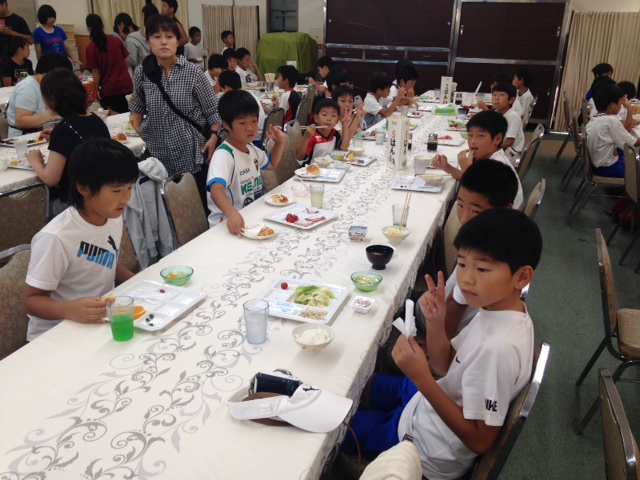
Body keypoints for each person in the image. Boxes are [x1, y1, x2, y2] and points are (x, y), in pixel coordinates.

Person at [343, 208, 541, 479]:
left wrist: (422, 378)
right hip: (425, 405)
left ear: (522, 277)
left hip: (425, 448)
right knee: (351, 385)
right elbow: (445, 364)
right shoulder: (498, 310)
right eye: (462, 264)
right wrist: (436, 322)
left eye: (482, 269)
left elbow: (481, 441)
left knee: (338, 425)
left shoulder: (499, 348)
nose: (466, 278)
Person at [23, 139, 138, 342]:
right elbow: (31, 301)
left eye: (129, 188)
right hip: (55, 335)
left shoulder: (112, 216)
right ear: (84, 188)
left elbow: (106, 260)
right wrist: (69, 309)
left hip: (98, 321)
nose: (126, 198)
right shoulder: (56, 237)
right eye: (117, 191)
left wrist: (139, 281)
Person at [415, 159, 520, 336]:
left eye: (476, 211)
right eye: (460, 205)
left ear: (505, 209)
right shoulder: (495, 237)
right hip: (443, 310)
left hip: (440, 324)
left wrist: (434, 343)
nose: (464, 218)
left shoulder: (481, 255)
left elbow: (454, 308)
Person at [129, 14, 221, 198]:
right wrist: (140, 129)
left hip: (192, 152)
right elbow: (137, 107)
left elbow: (213, 111)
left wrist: (213, 137)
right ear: (149, 42)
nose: (163, 42)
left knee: (195, 203)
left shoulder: (193, 72)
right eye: (157, 37)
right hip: (158, 155)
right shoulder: (142, 73)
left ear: (177, 41)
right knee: (165, 204)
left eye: (169, 36)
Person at [25, 68, 111, 216]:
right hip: (99, 198)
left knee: (31, 209)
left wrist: (35, 163)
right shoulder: (97, 120)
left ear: (53, 99)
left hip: (73, 205)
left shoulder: (64, 129)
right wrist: (57, 139)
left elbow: (50, 179)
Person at [206, 90, 285, 234]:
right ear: (227, 125)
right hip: (226, 225)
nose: (250, 128)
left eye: (254, 121)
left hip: (250, 217)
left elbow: (272, 164)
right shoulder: (224, 155)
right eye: (242, 123)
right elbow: (216, 190)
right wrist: (231, 213)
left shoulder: (251, 148)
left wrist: (279, 143)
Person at [431, 110, 523, 209]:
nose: (473, 142)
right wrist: (446, 167)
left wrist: (467, 169)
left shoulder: (497, 166)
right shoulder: (487, 158)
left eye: (480, 136)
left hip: (497, 215)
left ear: (497, 139)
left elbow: (477, 192)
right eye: (470, 135)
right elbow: (466, 177)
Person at [6, 52, 70, 138]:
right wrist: (53, 114)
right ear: (49, 74)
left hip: (48, 131)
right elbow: (21, 122)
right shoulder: (27, 87)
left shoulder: (50, 85)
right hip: (25, 137)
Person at [585, 83, 640, 178]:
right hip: (608, 168)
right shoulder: (611, 121)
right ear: (612, 105)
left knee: (628, 158)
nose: (621, 105)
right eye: (620, 102)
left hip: (599, 164)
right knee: (636, 169)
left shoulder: (595, 119)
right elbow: (633, 143)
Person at [85, 14, 133, 115]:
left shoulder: (91, 48)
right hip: (126, 84)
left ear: (89, 28)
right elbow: (126, 61)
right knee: (129, 116)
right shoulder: (115, 40)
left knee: (115, 119)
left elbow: (95, 72)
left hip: (110, 89)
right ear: (102, 25)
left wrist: (97, 89)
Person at [295, 98, 353, 165]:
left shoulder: (334, 133)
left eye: (333, 116)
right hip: (312, 168)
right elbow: (299, 157)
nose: (329, 119)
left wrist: (345, 126)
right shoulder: (312, 136)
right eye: (324, 115)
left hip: (327, 167)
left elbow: (345, 148)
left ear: (337, 120)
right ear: (316, 118)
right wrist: (306, 137)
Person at [218, 70, 265, 140]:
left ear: (227, 88)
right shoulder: (250, 94)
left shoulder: (233, 102)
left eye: (222, 89)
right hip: (262, 136)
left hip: (254, 139)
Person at [491, 82, 524, 154]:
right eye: (494, 95)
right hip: (501, 148)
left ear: (511, 100)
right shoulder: (498, 112)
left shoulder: (513, 116)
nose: (496, 98)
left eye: (502, 95)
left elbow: (509, 142)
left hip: (510, 153)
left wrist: (493, 151)